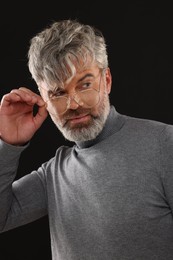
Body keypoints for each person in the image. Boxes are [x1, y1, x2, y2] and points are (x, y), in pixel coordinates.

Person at [0, 19, 173, 260]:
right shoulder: (53, 174)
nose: (74, 104)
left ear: (107, 81)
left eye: (85, 85)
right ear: (43, 98)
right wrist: (9, 145)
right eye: (58, 93)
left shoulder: (165, 144)